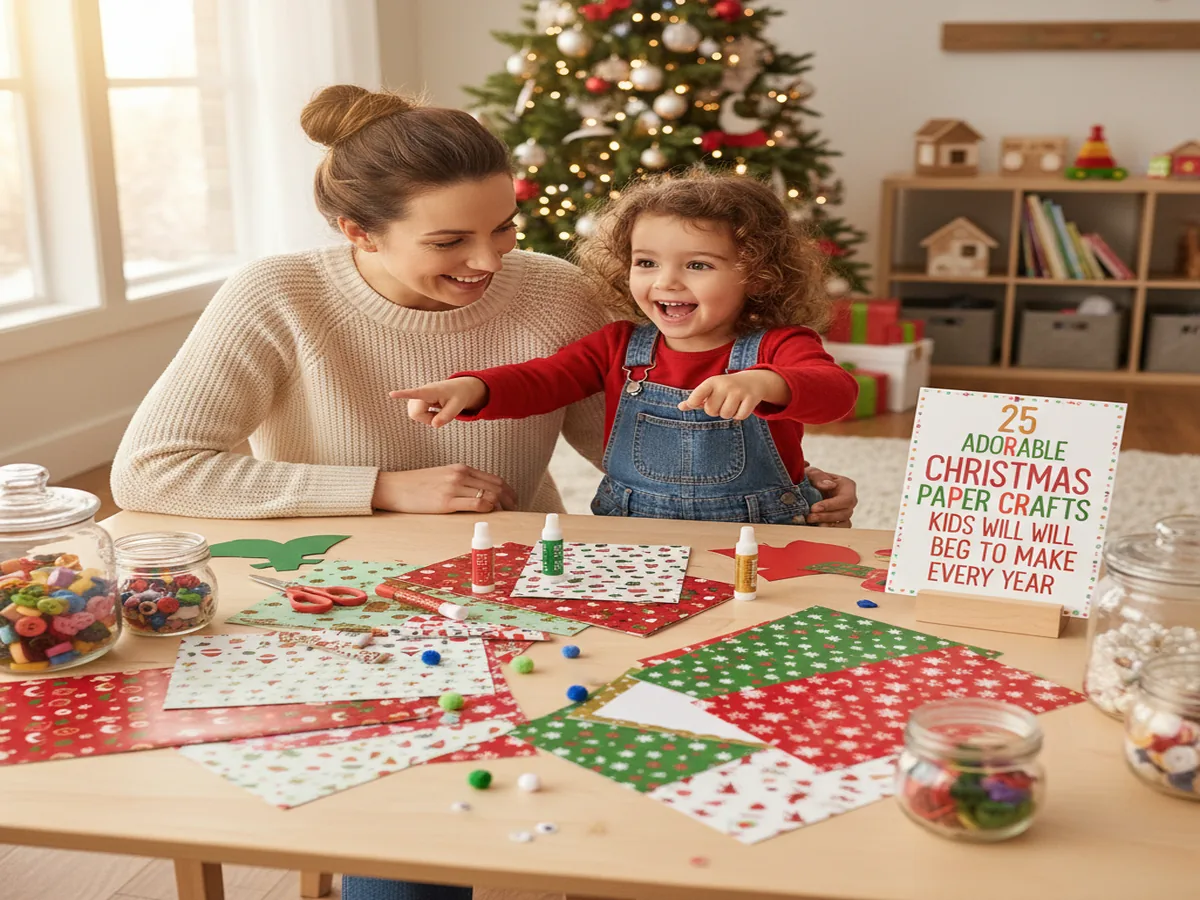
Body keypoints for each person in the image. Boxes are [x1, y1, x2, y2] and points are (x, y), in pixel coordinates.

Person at [110, 86, 860, 900]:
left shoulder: (553, 292)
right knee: (407, 839)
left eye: (504, 226)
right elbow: (153, 468)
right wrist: (384, 488)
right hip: (352, 604)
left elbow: (628, 439)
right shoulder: (279, 295)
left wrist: (783, 466)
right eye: (449, 240)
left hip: (527, 594)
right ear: (356, 230)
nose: (489, 260)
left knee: (627, 800)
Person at [393, 171, 856, 527]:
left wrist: (767, 381)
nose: (666, 281)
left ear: (756, 273)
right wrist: (472, 388)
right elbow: (542, 379)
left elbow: (836, 392)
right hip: (631, 531)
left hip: (762, 533)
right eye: (646, 262)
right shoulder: (617, 345)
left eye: (698, 264)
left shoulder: (780, 345)